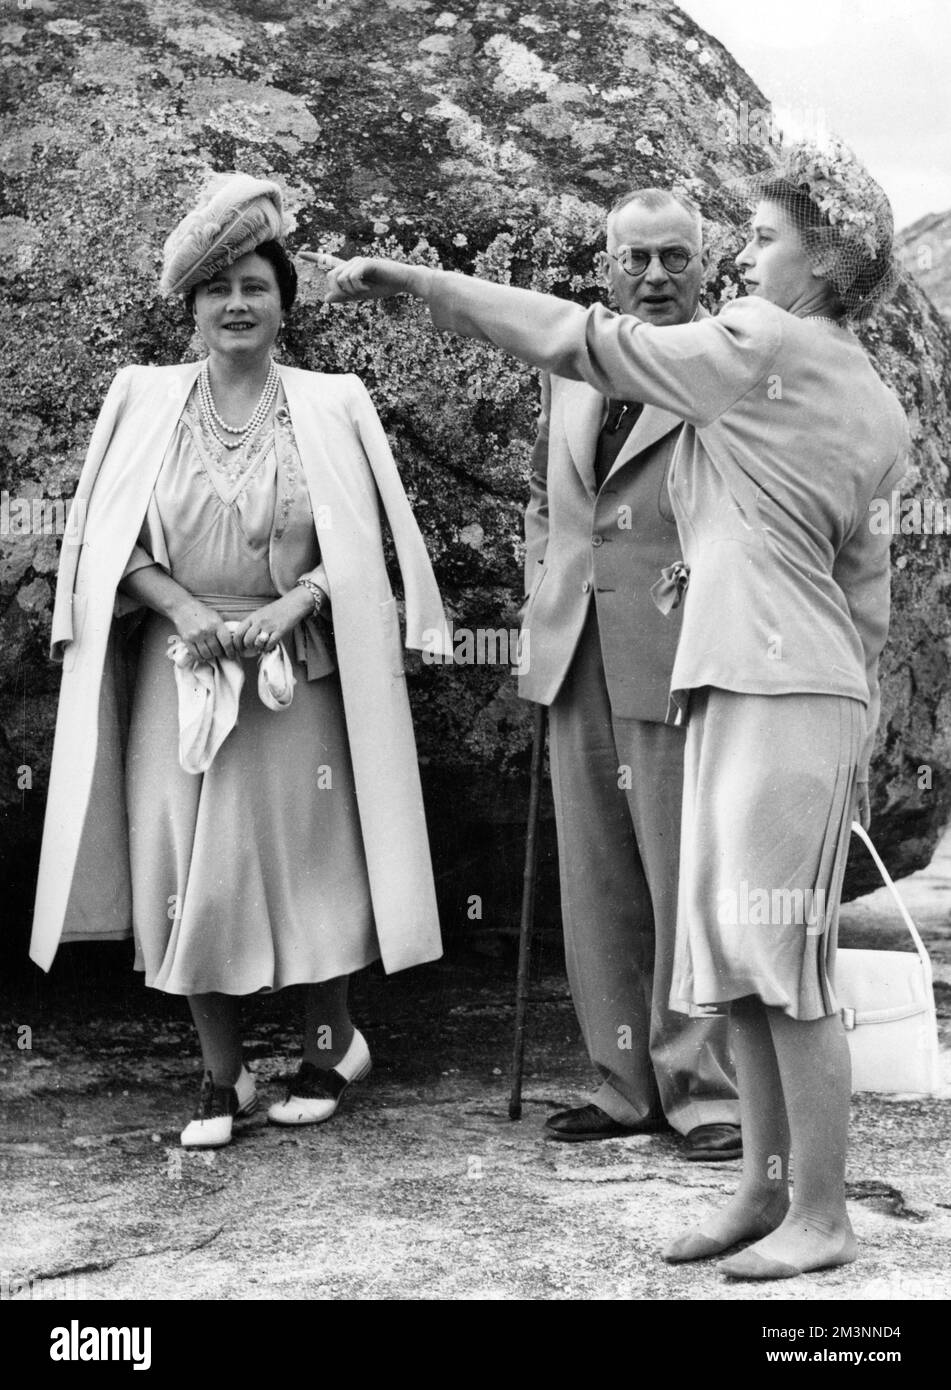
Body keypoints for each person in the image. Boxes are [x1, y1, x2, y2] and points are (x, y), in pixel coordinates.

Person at [315, 139, 909, 1280]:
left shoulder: (763, 341)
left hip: (779, 689)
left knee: (781, 960)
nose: (747, 254)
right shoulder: (866, 390)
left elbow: (585, 340)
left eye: (766, 236)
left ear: (827, 257)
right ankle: (762, 1195)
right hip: (772, 682)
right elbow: (863, 583)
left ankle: (820, 1214)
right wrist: (857, 702)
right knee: (737, 956)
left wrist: (425, 285)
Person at [30, 173, 450, 1150]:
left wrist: (297, 602)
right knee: (191, 874)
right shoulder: (142, 401)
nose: (236, 304)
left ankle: (328, 1047)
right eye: (217, 288)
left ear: (283, 301)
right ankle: (222, 1076)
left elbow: (363, 546)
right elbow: (104, 543)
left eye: (255, 284)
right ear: (192, 307)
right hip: (179, 670)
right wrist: (180, 606)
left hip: (291, 674)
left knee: (311, 870)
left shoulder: (332, 403)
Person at [517, 189, 739, 1158]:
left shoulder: (721, 368)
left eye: (674, 258)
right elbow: (542, 494)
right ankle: (623, 1079)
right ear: (607, 267)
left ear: (705, 268)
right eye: (637, 258)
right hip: (578, 651)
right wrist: (541, 591)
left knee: (684, 873)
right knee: (598, 871)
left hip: (681, 649)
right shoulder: (569, 370)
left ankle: (702, 1089)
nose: (655, 276)